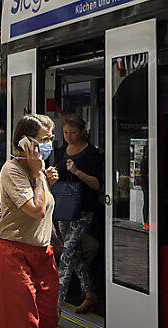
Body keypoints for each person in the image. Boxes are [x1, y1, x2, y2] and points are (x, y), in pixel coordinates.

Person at [0, 114, 60, 328]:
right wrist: (38, 176)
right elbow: (37, 211)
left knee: (48, 319)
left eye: (50, 139)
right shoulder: (12, 171)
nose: (49, 145)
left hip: (43, 254)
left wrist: (44, 182)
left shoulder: (37, 171)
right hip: (15, 255)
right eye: (44, 139)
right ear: (25, 142)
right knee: (22, 321)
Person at [53, 114, 103, 313]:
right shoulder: (61, 150)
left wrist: (77, 172)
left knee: (67, 254)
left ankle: (55, 305)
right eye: (65, 132)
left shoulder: (91, 154)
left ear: (83, 132)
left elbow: (97, 184)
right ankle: (90, 294)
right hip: (63, 208)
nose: (69, 136)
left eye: (73, 132)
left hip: (83, 210)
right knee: (74, 256)